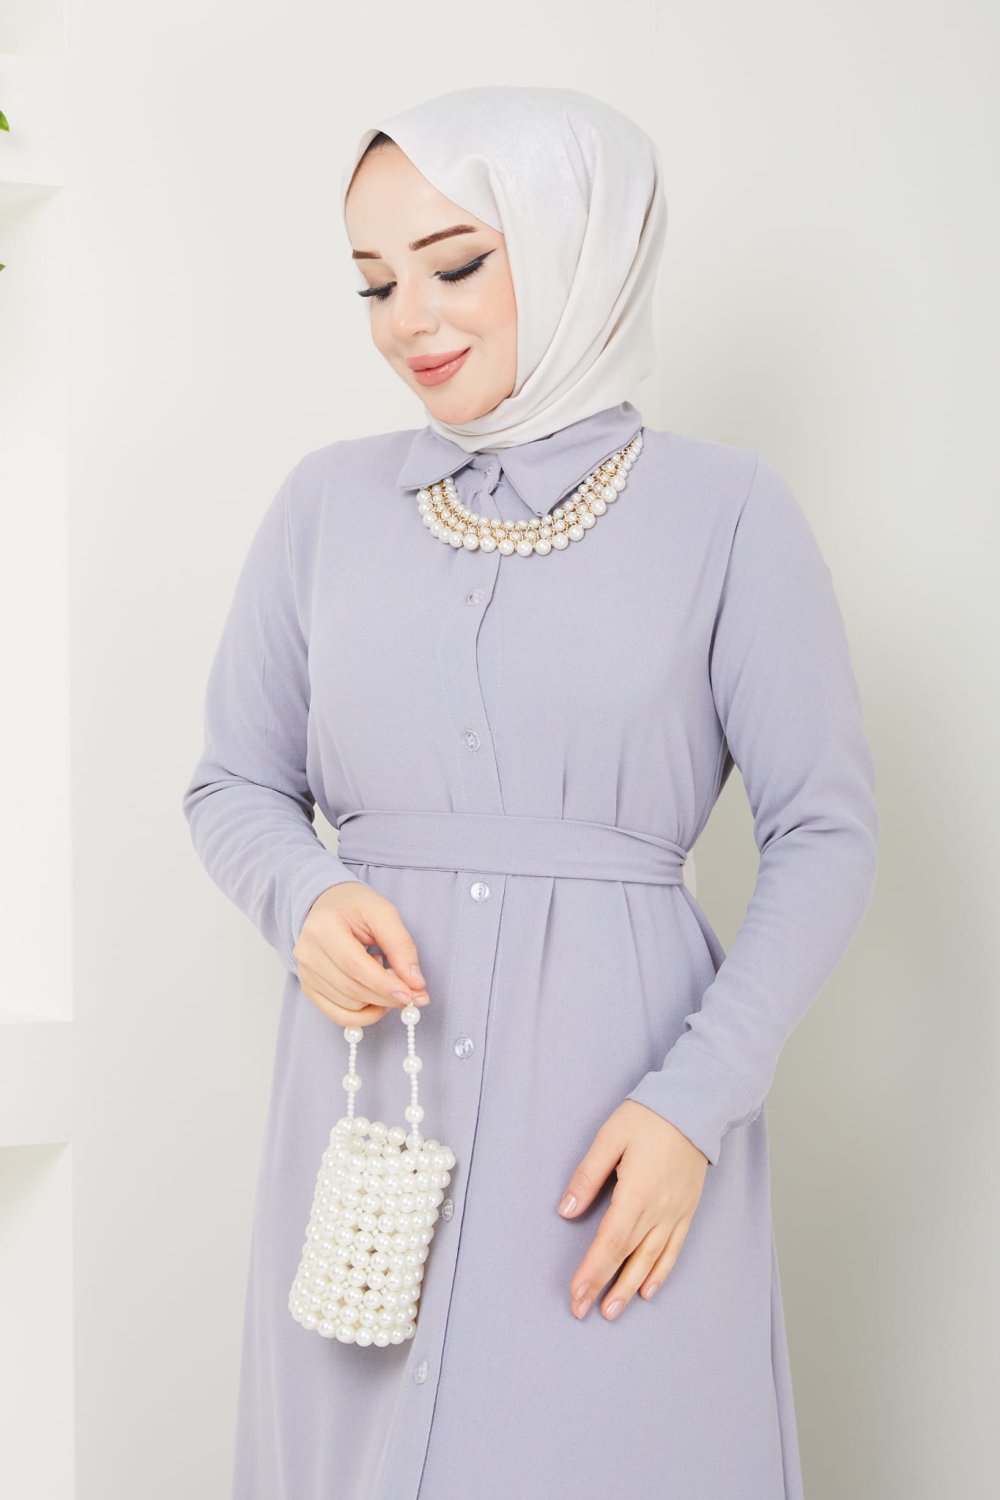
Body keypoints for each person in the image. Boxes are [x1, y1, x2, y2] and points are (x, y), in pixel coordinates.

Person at [181, 85, 879, 1500]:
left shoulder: (727, 513)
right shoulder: (324, 505)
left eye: (454, 263)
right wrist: (301, 897)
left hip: (617, 1121)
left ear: (579, 249)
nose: (409, 321)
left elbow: (825, 832)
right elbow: (235, 780)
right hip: (371, 1120)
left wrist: (695, 1105)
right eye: (375, 282)